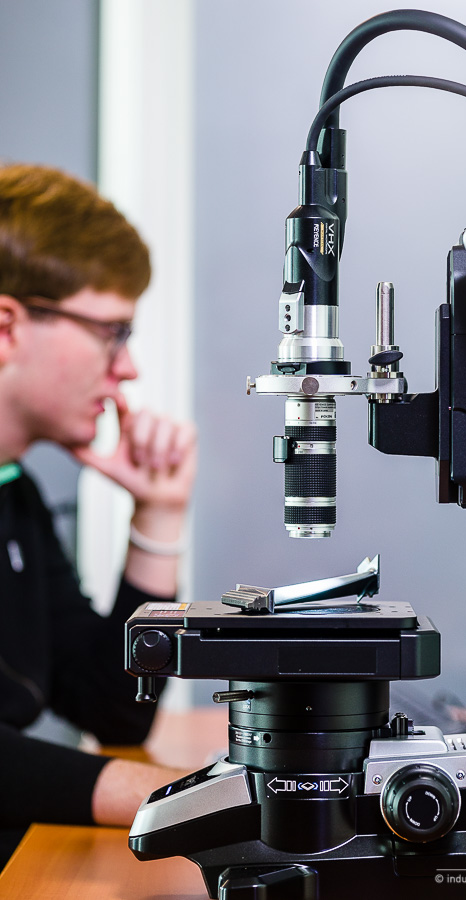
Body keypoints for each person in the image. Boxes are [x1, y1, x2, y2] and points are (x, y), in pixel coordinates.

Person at [0, 163, 196, 866]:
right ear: (6, 328)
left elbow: (111, 707)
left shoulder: (14, 496)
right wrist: (185, 797)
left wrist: (159, 515)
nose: (127, 367)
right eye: (111, 331)